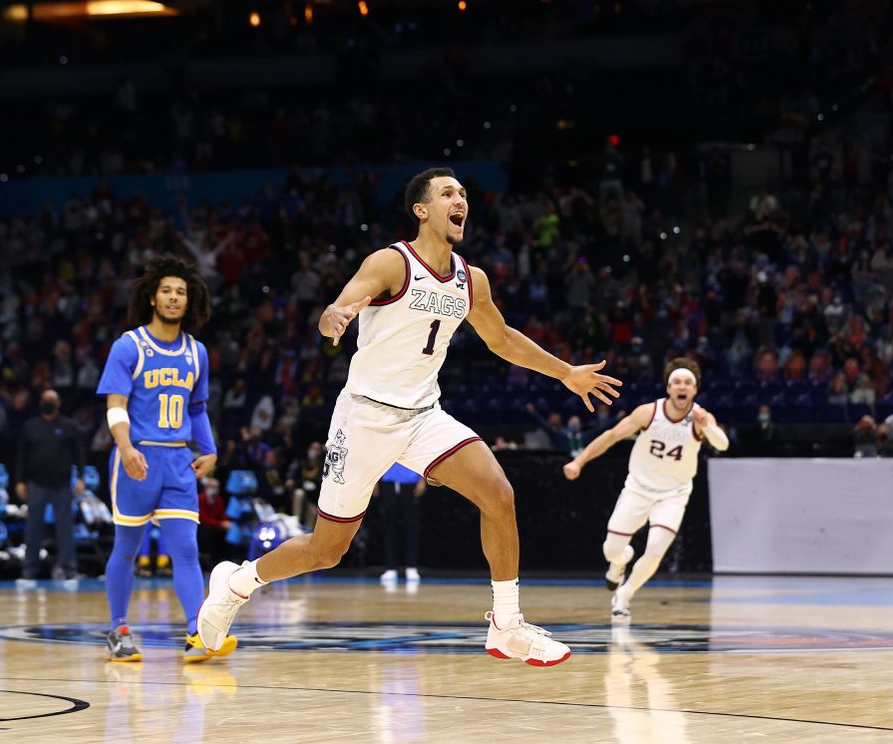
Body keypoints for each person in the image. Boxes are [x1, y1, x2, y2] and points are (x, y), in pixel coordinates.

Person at [197, 167, 621, 667]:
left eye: (463, 194)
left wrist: (566, 372)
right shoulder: (392, 262)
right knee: (326, 550)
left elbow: (502, 339)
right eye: (447, 193)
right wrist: (334, 317)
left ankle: (507, 625)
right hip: (364, 418)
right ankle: (237, 583)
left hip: (423, 415)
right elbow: (337, 307)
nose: (460, 200)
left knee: (499, 494)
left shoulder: (471, 280)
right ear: (421, 210)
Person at [96, 254, 234, 663]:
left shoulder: (196, 352)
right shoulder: (129, 345)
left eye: (181, 292)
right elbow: (115, 406)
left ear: (190, 301)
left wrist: (210, 450)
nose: (174, 298)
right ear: (153, 298)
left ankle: (197, 632)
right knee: (127, 548)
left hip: (177, 462)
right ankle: (119, 628)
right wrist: (125, 448)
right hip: (137, 458)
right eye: (167, 291)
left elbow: (197, 409)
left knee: (186, 549)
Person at [561, 358, 728, 618]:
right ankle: (620, 562)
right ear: (668, 388)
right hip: (638, 488)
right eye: (677, 382)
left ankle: (624, 596)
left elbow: (723, 444)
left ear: (694, 390)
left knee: (655, 550)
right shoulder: (648, 413)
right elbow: (611, 436)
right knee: (612, 550)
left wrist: (707, 424)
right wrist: (579, 461)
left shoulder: (700, 418)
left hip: (674, 494)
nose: (682, 386)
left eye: (687, 383)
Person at [14, 388, 86, 584]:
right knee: (33, 529)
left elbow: (79, 454)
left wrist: (80, 477)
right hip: (36, 484)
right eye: (46, 399)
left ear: (59, 403)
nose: (49, 402)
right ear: (40, 403)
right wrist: (19, 481)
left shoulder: (69, 426)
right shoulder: (30, 427)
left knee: (65, 530)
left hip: (61, 485)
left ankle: (70, 571)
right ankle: (29, 572)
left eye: (52, 399)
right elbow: (21, 456)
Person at [375, 462, 425, 584]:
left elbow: (421, 454)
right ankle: (390, 568)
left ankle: (412, 567)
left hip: (410, 480)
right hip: (388, 480)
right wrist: (374, 481)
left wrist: (423, 479)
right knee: (389, 526)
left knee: (411, 526)